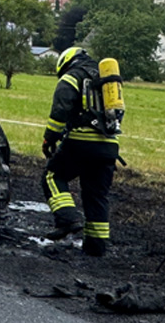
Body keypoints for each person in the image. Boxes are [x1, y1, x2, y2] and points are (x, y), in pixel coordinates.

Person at [41, 47, 122, 256]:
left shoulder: (73, 76)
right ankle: (96, 247)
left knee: (53, 176)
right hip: (109, 146)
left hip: (82, 141)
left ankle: (68, 219)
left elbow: (61, 107)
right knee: (97, 195)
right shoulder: (106, 80)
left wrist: (50, 137)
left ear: (65, 62)